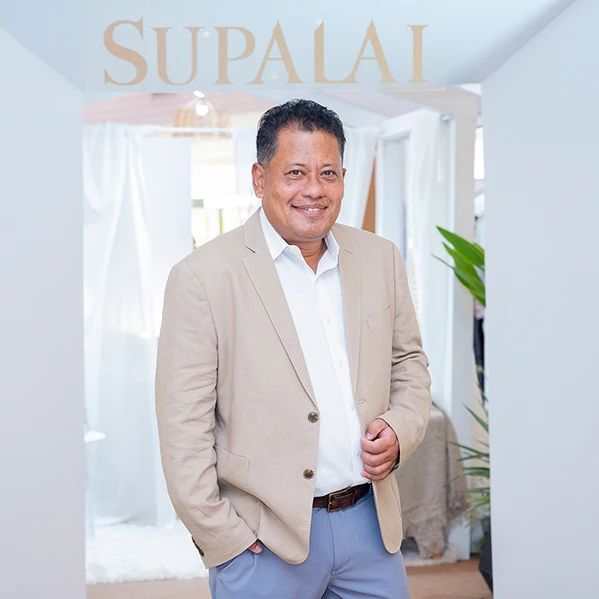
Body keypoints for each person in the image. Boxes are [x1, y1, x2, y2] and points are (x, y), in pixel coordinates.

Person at [156, 99, 432, 599]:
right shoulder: (202, 277)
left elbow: (409, 364)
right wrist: (224, 539)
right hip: (263, 544)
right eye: (295, 173)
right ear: (259, 179)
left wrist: (399, 428)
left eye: (328, 173)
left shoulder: (380, 258)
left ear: (343, 178)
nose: (314, 189)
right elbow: (183, 429)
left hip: (371, 528)